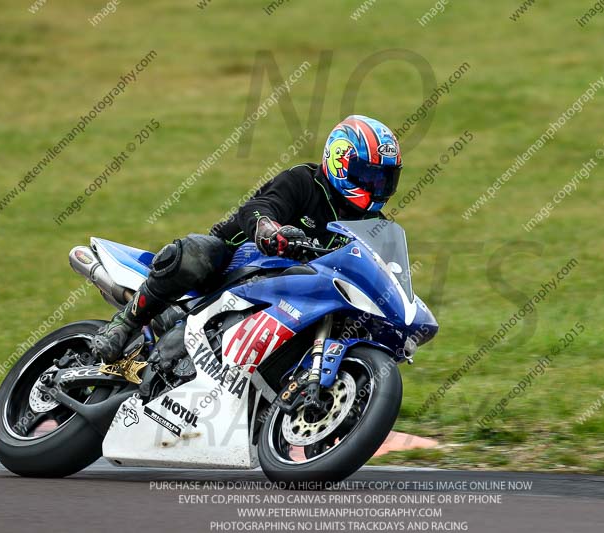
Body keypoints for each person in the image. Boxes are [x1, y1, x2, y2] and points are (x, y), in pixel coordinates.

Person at [91, 115, 403, 362]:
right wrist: (269, 230)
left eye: (385, 178)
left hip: (298, 293)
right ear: (340, 160)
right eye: (370, 175)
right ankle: (126, 323)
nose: (378, 186)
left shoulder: (374, 225)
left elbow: (387, 274)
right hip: (234, 265)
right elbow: (259, 207)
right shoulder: (304, 181)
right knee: (200, 252)